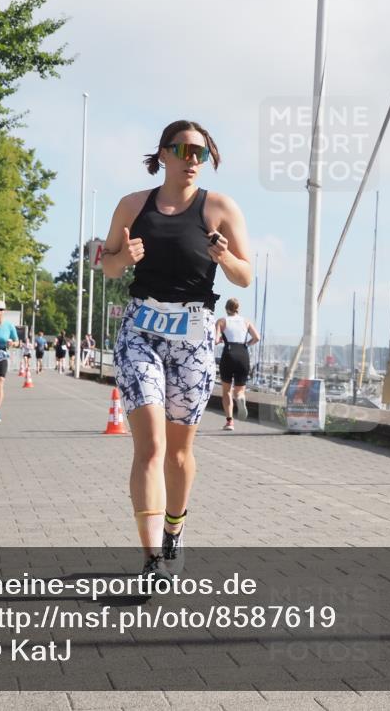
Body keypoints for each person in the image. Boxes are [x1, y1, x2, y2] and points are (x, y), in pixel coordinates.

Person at [101, 119, 251, 582]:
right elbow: (106, 266)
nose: (191, 161)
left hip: (194, 334)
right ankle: (150, 560)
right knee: (149, 448)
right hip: (141, 331)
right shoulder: (132, 205)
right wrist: (124, 259)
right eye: (183, 151)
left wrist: (222, 255)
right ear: (163, 154)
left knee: (179, 455)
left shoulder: (220, 208)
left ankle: (173, 531)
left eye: (200, 154)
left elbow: (245, 276)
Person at [215, 298, 260, 431]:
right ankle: (240, 397)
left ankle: (230, 422)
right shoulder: (246, 321)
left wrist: (222, 339)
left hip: (228, 354)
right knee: (239, 390)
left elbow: (216, 340)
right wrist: (247, 344)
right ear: (237, 308)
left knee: (227, 391)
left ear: (226, 309)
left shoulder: (222, 321)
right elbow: (257, 337)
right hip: (243, 353)